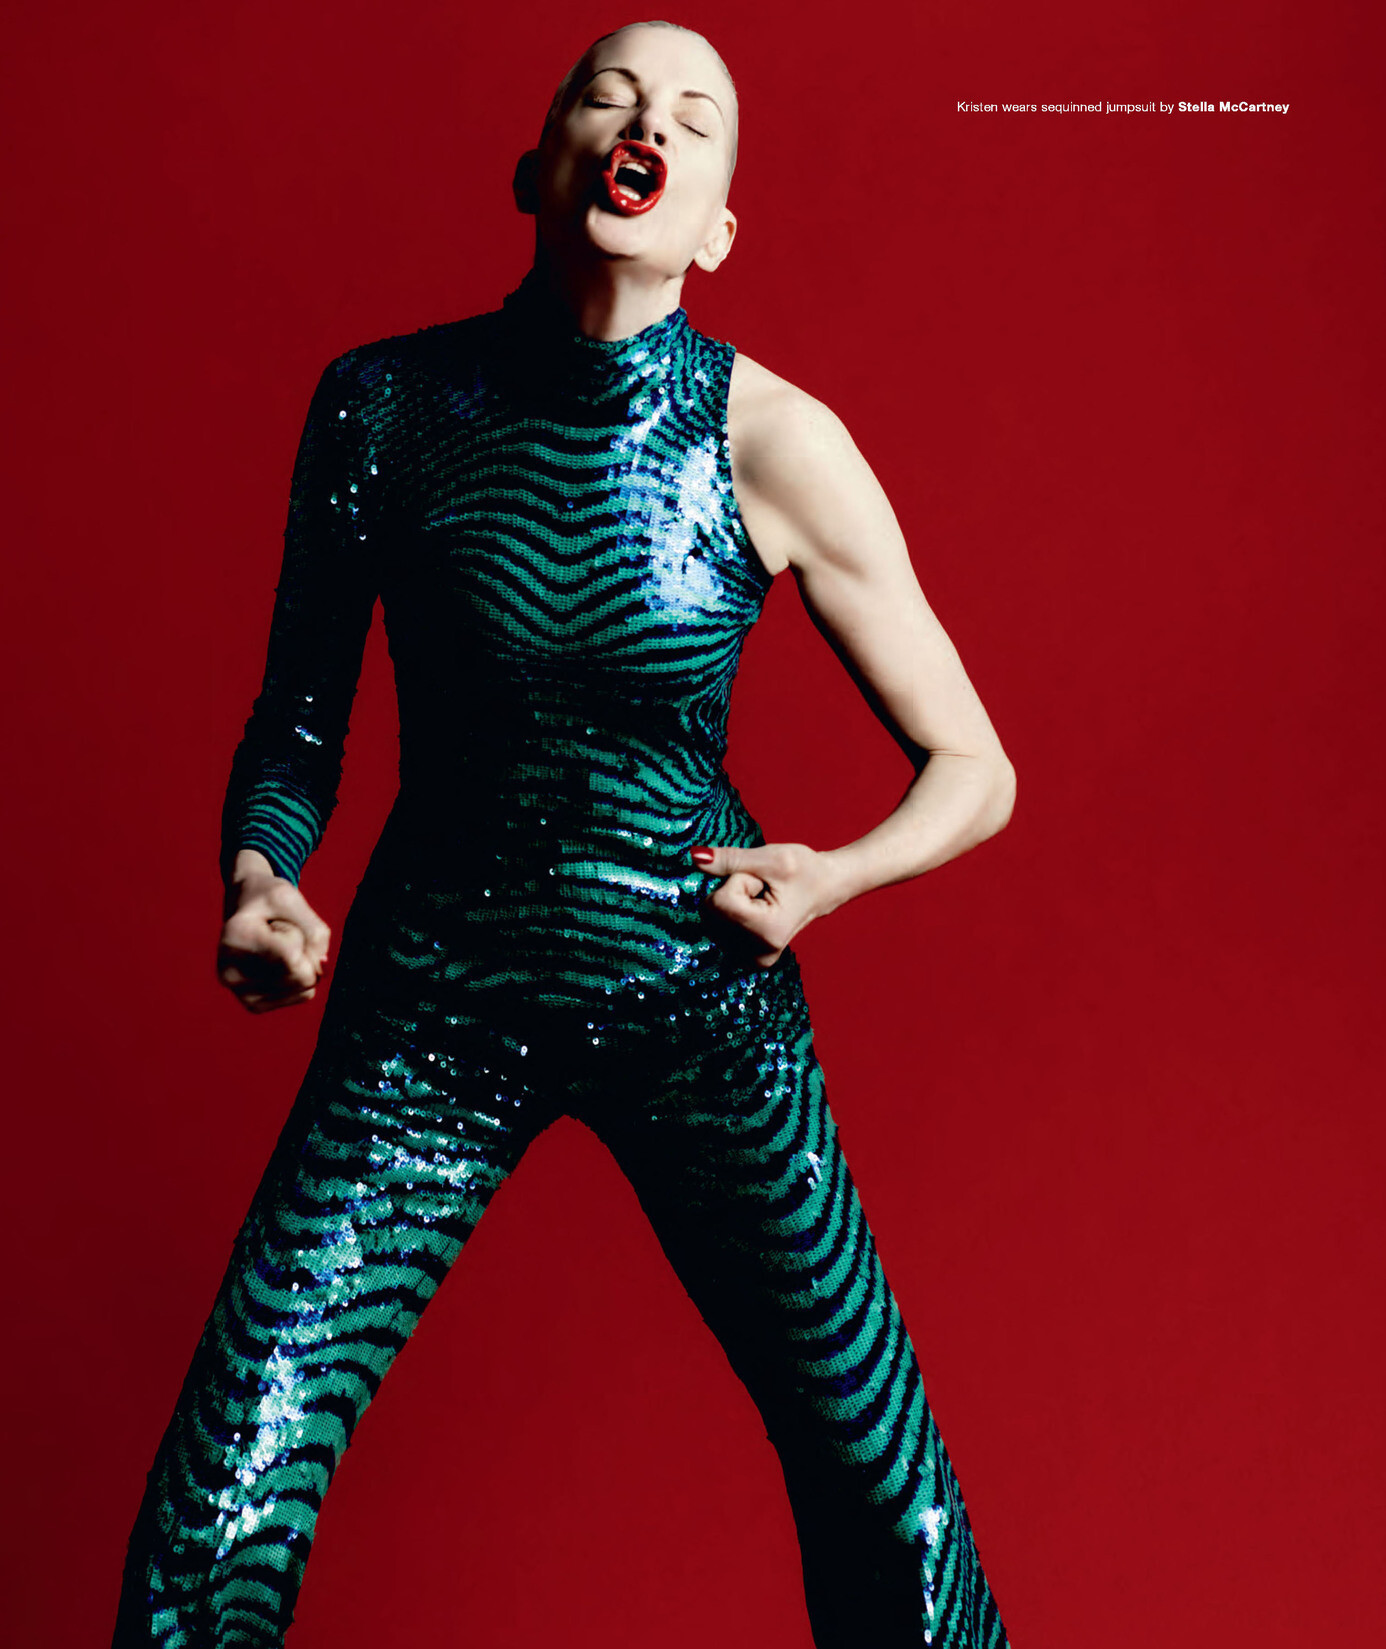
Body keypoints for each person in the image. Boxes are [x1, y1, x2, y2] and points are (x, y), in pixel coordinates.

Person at [113, 19, 1015, 1648]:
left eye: (693, 116)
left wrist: (831, 874)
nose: (643, 121)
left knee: (887, 1502)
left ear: (716, 226)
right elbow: (300, 720)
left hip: (698, 1001)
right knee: (215, 1517)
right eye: (608, 93)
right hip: (432, 1009)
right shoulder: (384, 406)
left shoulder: (771, 440)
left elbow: (973, 765)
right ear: (537, 167)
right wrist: (260, 877)